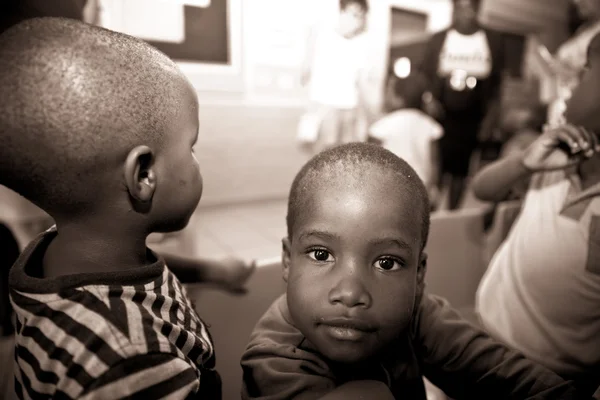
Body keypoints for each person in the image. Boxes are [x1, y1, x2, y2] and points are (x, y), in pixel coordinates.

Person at [0, 17, 255, 399]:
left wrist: (211, 270)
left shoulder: (62, 248)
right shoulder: (131, 361)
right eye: (192, 147)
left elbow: (143, 267)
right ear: (144, 174)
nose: (197, 160)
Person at [240, 142, 587, 399]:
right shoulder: (275, 363)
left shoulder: (416, 314)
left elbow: (503, 374)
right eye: (320, 254)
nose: (349, 293)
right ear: (288, 260)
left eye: (386, 263)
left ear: (418, 275)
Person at [474, 31, 600, 398]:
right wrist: (523, 164)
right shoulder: (554, 156)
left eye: (587, 71)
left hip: (559, 379)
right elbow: (484, 190)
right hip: (488, 335)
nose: (570, 84)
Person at [419, 0, 505, 210]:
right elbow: (423, 76)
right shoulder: (439, 39)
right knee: (435, 167)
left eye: (471, 7)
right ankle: (429, 214)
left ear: (478, 10)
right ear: (454, 8)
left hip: (472, 117)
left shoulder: (492, 40)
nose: (465, 13)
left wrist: (491, 120)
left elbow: (497, 86)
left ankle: (451, 215)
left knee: (461, 171)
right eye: (461, 7)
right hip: (441, 115)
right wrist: (429, 100)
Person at [300, 0, 371, 151]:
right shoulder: (321, 35)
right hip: (324, 107)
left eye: (361, 17)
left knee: (346, 157)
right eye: (355, 15)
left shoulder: (360, 44)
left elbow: (360, 83)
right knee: (322, 159)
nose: (358, 21)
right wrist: (309, 118)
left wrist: (365, 117)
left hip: (349, 110)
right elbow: (304, 74)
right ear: (342, 12)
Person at [368, 72, 443, 208]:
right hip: (421, 189)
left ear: (398, 98)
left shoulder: (381, 126)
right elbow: (434, 163)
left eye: (389, 92)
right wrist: (432, 188)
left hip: (389, 190)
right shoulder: (429, 125)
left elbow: (371, 163)